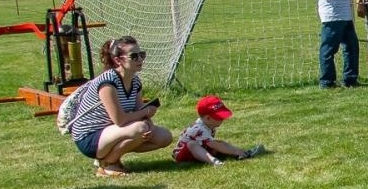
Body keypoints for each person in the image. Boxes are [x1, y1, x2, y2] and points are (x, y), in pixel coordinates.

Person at [66, 35, 173, 178]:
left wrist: (150, 124)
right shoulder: (108, 82)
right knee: (139, 128)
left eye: (142, 55)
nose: (140, 60)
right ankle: (107, 164)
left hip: (113, 132)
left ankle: (111, 159)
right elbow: (120, 120)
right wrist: (146, 114)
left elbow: (138, 110)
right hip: (89, 136)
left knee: (165, 137)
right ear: (118, 60)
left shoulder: (135, 81)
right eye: (134, 56)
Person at [173, 95, 266, 165]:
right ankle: (213, 161)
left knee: (219, 143)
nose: (223, 119)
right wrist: (233, 151)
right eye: (219, 117)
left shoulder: (208, 125)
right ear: (208, 118)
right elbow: (214, 145)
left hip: (199, 150)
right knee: (193, 144)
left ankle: (243, 153)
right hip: (183, 155)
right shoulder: (199, 129)